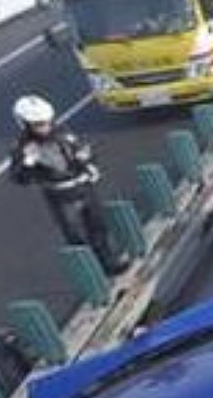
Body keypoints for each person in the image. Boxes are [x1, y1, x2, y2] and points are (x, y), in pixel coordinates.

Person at [8, 95, 126, 274]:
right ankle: (91, 274)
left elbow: (83, 151)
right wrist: (27, 163)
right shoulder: (22, 148)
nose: (45, 127)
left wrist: (87, 160)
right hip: (60, 195)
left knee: (98, 228)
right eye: (39, 124)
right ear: (25, 124)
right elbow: (19, 178)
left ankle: (109, 264)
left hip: (83, 186)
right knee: (76, 237)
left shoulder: (63, 134)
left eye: (46, 122)